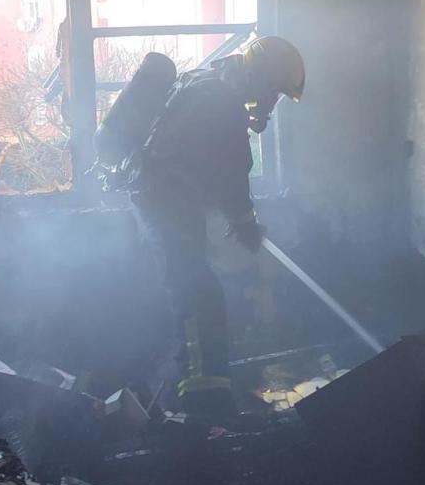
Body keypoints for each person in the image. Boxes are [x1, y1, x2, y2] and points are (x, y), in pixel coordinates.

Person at [130, 36, 304, 421]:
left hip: (161, 199)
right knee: (198, 294)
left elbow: (208, 161)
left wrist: (239, 217)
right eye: (273, 90)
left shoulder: (209, 82)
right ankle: (205, 403)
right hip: (166, 202)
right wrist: (244, 222)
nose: (273, 100)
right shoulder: (221, 98)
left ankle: (190, 390)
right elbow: (232, 166)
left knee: (192, 289)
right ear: (258, 76)